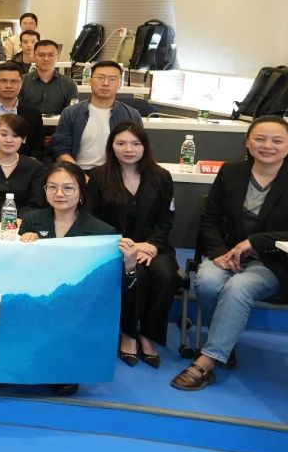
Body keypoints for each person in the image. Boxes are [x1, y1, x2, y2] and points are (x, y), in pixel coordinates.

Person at [171, 116, 288, 391]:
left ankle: (207, 362)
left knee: (239, 286)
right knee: (207, 281)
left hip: (274, 261)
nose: (267, 146)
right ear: (247, 142)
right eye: (260, 139)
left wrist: (255, 241)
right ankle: (225, 343)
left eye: (277, 140)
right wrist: (219, 252)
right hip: (228, 253)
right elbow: (209, 217)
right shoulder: (232, 172)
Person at [20, 161, 125, 397]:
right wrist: (24, 244)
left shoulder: (102, 231)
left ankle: (65, 368)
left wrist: (128, 264)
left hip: (78, 302)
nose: (59, 194)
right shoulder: (31, 221)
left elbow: (108, 283)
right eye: (52, 187)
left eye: (68, 188)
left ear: (81, 192)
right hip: (37, 296)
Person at [85, 122, 177, 368]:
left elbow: (166, 218)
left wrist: (153, 245)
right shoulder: (98, 176)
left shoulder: (161, 176)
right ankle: (128, 334)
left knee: (166, 276)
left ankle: (148, 335)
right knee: (137, 277)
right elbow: (90, 218)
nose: (129, 149)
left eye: (135, 143)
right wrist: (122, 244)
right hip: (114, 247)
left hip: (152, 246)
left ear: (145, 146)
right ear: (111, 146)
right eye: (121, 143)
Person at [53, 61, 142, 167]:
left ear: (119, 84)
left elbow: (138, 149)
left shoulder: (131, 115)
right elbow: (61, 150)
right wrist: (79, 174)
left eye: (112, 79)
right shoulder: (70, 113)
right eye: (100, 77)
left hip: (116, 172)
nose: (106, 83)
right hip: (78, 170)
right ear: (90, 81)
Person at [21, 39, 79, 115]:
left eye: (51, 55)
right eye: (41, 55)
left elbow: (72, 113)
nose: (46, 59)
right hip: (27, 122)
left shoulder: (69, 83)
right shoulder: (21, 81)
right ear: (34, 57)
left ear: (57, 57)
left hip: (59, 122)